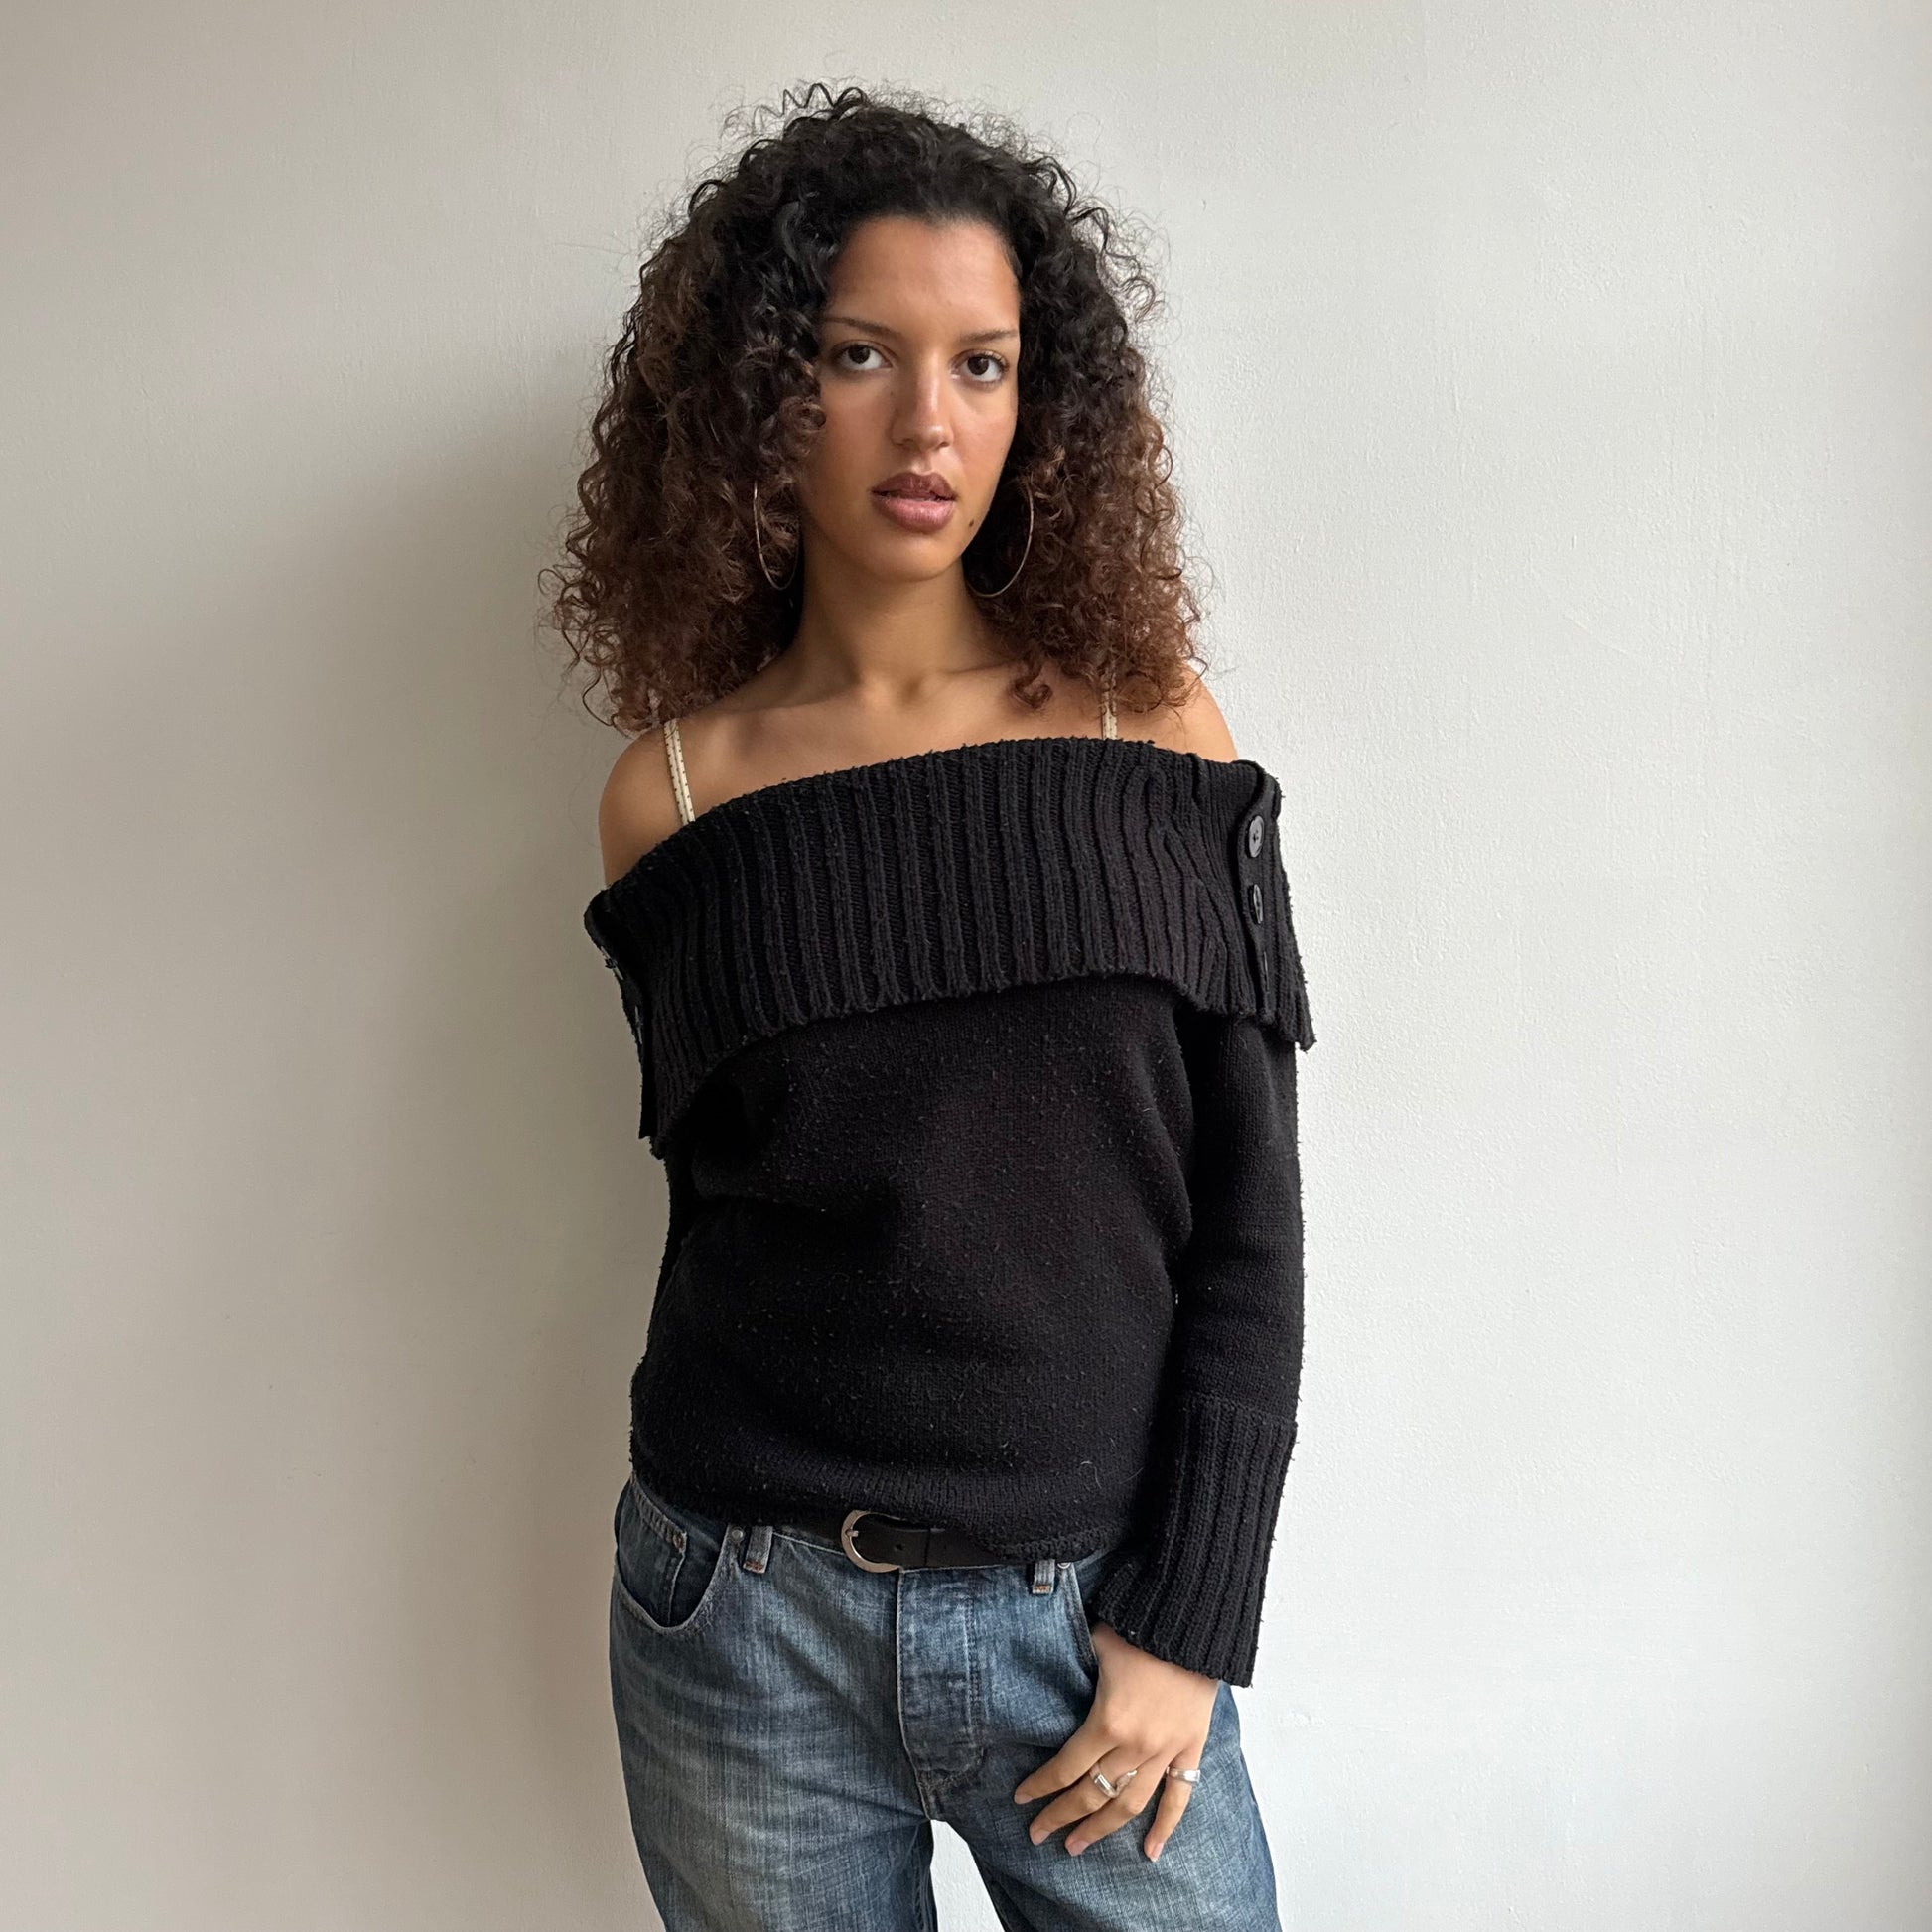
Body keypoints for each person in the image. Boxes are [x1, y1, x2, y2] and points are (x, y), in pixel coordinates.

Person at [548, 82, 1316, 1932]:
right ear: (760, 392)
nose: (926, 422)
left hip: (1091, 1624)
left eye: (981, 365)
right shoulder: (674, 793)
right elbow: (733, 1206)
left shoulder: (1151, 731)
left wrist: (1190, 1620)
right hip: (738, 1616)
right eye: (857, 354)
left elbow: (1249, 1217)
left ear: (1038, 403)